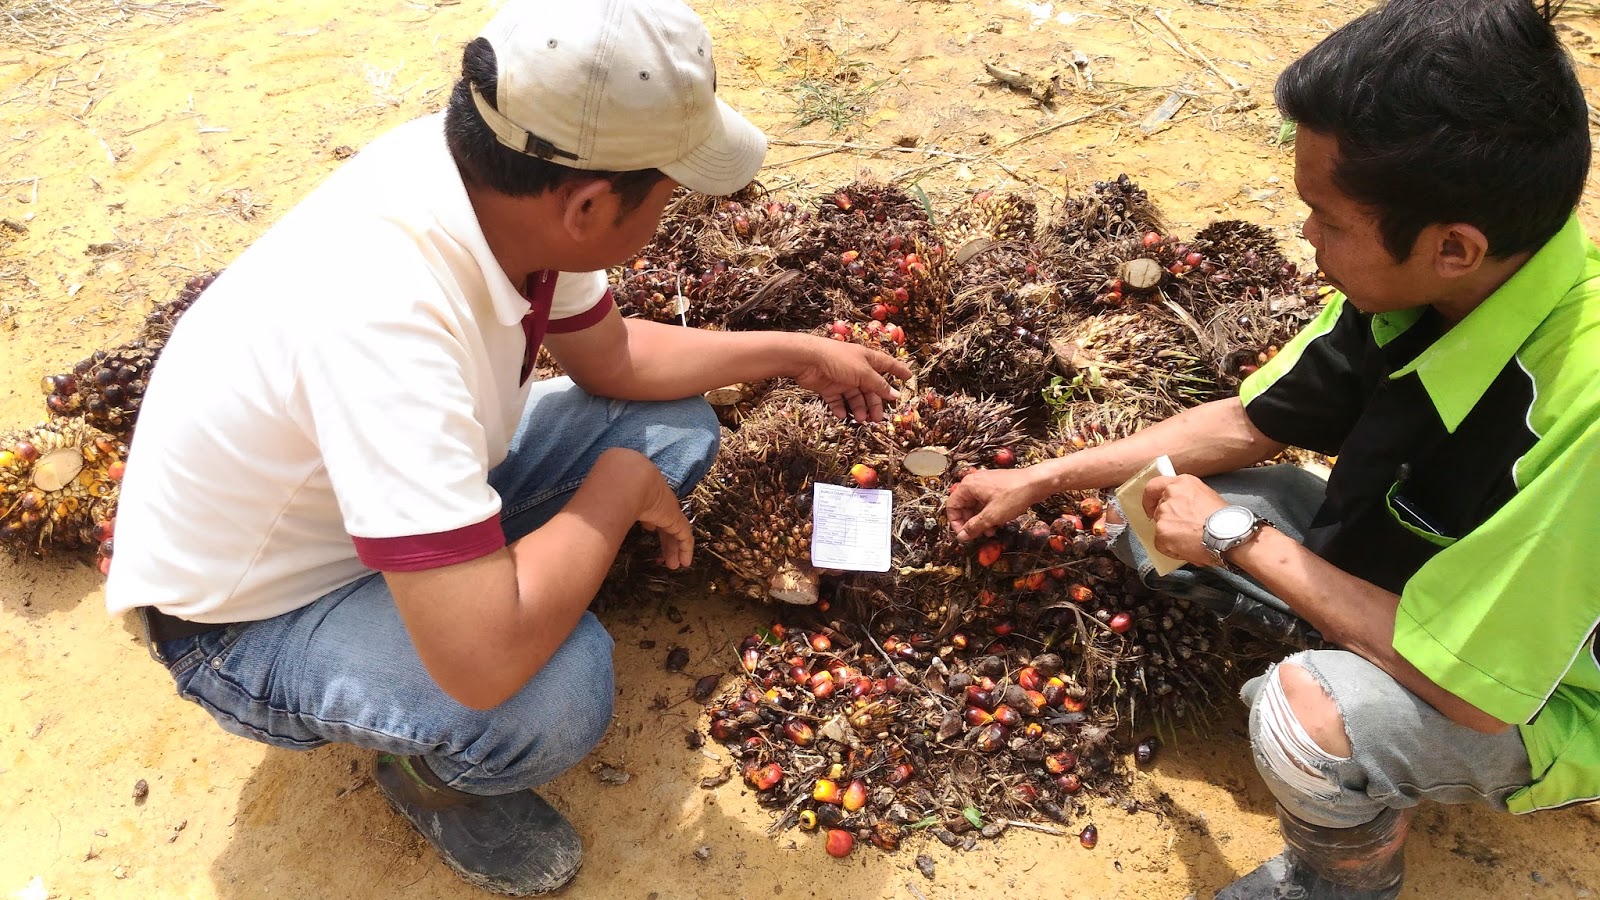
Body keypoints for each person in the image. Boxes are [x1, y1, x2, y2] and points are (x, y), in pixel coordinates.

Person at [104, 0, 910, 894]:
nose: (670, 211)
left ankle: (488, 579)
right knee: (551, 694)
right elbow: (482, 664)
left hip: (355, 516)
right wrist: (614, 492)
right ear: (590, 205)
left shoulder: (498, 181)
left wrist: (793, 353)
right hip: (250, 618)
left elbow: (613, 360)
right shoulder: (384, 317)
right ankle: (429, 774)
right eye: (668, 193)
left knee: (673, 428)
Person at [945, 0, 1596, 897]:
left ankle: (1342, 880)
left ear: (1453, 245)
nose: (1305, 237)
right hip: (1439, 595)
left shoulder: (1579, 411)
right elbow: (1252, 422)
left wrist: (1234, 539)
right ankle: (1341, 647)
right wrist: (1041, 477)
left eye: (1326, 219)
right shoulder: (1436, 285)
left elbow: (1477, 692)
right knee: (1146, 509)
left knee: (1304, 719)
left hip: (1539, 694)